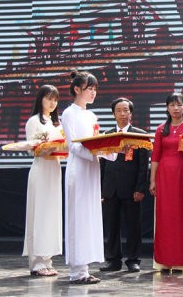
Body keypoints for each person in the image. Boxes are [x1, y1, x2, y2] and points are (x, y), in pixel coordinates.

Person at [62, 70, 117, 285]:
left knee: (90, 217)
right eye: (89, 88)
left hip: (92, 170)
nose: (93, 93)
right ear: (77, 89)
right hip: (79, 169)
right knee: (78, 217)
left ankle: (84, 268)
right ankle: (76, 270)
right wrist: (96, 151)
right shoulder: (69, 113)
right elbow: (74, 146)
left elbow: (96, 142)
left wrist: (112, 149)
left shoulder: (91, 115)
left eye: (95, 89)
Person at [99, 97, 149, 273]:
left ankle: (133, 259)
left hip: (131, 189)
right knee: (111, 226)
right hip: (110, 188)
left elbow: (144, 166)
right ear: (113, 113)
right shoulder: (107, 135)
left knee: (133, 226)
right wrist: (101, 190)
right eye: (119, 110)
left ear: (131, 113)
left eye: (126, 110)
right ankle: (113, 259)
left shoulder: (139, 135)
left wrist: (140, 188)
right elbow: (102, 165)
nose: (122, 113)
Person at [149, 92, 183, 272]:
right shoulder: (161, 129)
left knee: (182, 219)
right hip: (164, 178)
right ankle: (164, 261)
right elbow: (155, 156)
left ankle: (181, 261)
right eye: (172, 105)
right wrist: (152, 179)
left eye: (179, 105)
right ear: (167, 108)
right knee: (164, 219)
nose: (175, 108)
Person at [22, 84, 63, 277]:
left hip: (54, 169)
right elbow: (33, 148)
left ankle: (48, 259)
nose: (52, 103)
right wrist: (44, 147)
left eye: (55, 99)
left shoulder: (57, 124)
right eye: (48, 98)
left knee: (52, 214)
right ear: (40, 99)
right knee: (39, 214)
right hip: (40, 168)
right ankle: (37, 262)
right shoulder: (33, 121)